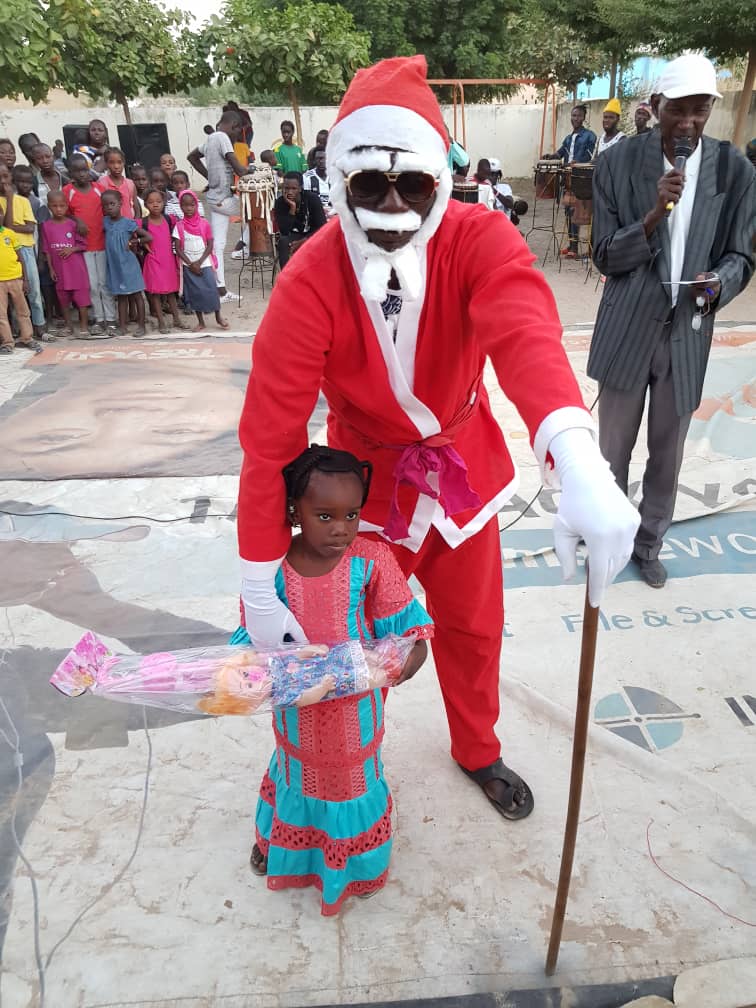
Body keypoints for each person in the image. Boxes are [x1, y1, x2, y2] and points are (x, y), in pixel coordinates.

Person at [236, 56, 639, 824]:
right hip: (356, 493)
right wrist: (262, 577)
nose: (392, 204)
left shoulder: (479, 237)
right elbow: (270, 438)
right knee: (336, 653)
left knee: (474, 626)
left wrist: (575, 453)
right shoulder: (311, 276)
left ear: (439, 178)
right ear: (339, 182)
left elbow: (525, 333)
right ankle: (326, 777)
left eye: (412, 185)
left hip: (460, 472)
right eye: (369, 186)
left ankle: (477, 748)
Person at [239, 444, 432, 913]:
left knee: (350, 780)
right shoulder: (271, 568)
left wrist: (404, 661)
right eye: (324, 516)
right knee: (295, 768)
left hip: (355, 710)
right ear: (294, 510)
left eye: (351, 514)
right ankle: (283, 842)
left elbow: (409, 630)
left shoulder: (372, 560)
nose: (342, 528)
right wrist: (241, 672)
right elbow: (249, 631)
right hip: (294, 708)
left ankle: (355, 866)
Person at [590, 53, 755, 590]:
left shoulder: (735, 171)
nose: (687, 125)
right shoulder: (617, 163)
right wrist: (653, 215)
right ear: (656, 106)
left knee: (668, 452)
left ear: (712, 108)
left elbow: (742, 256)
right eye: (676, 111)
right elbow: (605, 257)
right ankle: (607, 543)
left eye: (698, 112)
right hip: (628, 326)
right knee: (611, 451)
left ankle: (648, 544)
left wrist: (720, 284)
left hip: (687, 331)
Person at [187, 109, 251, 302]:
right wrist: (252, 170)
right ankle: (244, 247)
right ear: (234, 126)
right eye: (238, 132)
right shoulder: (222, 136)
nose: (237, 136)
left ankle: (221, 289)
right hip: (223, 200)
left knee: (218, 246)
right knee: (258, 213)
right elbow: (239, 168)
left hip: (215, 200)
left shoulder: (210, 139)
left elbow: (191, 157)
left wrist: (210, 178)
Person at [64, 154, 118, 338]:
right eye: (77, 171)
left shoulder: (98, 189)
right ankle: (99, 318)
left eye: (85, 169)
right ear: (70, 173)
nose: (82, 174)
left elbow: (110, 209)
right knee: (92, 285)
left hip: (101, 243)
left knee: (104, 283)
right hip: (83, 247)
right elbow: (64, 213)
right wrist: (76, 219)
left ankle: (111, 319)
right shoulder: (68, 191)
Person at [0, 162, 49, 342]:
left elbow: (29, 228)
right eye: (0, 178)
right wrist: (9, 200)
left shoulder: (23, 201)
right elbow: (7, 227)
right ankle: (15, 330)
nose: (3, 181)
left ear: (10, 177)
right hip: (5, 253)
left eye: (5, 177)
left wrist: (13, 224)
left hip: (26, 250)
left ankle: (39, 325)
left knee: (34, 291)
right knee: (10, 295)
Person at [173, 189, 228, 332]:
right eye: (185, 205)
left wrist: (200, 261)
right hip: (188, 266)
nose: (189, 208)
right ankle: (201, 321)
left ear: (196, 205)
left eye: (191, 205)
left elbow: (210, 245)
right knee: (195, 293)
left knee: (211, 290)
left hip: (205, 263)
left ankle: (218, 317)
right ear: (181, 206)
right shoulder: (179, 226)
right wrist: (191, 264)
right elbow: (178, 248)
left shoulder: (204, 223)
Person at [547, 104, 597, 258]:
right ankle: (572, 245)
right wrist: (551, 156)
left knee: (579, 212)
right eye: (573, 115)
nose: (575, 118)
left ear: (583, 118)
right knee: (568, 211)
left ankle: (579, 249)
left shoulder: (590, 136)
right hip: (568, 178)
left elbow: (592, 157)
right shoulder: (569, 138)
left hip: (581, 178)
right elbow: (561, 152)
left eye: (578, 116)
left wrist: (578, 163)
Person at [13, 164, 57, 333]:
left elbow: (39, 231)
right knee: (16, 291)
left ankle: (40, 324)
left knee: (35, 290)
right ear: (14, 182)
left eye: (28, 182)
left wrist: (41, 258)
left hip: (32, 250)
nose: (25, 185)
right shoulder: (9, 201)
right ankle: (19, 328)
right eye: (21, 182)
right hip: (11, 252)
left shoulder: (37, 203)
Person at [41, 190, 91, 337]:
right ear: (49, 206)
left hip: (76, 269)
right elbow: (47, 250)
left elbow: (83, 245)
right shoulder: (46, 226)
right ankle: (69, 327)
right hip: (59, 270)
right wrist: (51, 269)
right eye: (55, 206)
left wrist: (72, 249)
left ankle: (83, 328)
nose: (58, 209)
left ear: (66, 205)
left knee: (81, 300)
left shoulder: (73, 224)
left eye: (62, 206)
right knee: (63, 300)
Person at [101, 189, 150, 337]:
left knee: (136, 296)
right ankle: (122, 326)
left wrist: (135, 241)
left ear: (120, 204)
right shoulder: (105, 222)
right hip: (115, 267)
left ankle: (142, 326)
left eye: (112, 204)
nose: (109, 207)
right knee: (121, 297)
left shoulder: (128, 223)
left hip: (129, 265)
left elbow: (148, 236)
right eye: (106, 205)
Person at [140, 188, 185, 333]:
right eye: (151, 202)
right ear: (146, 204)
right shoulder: (143, 223)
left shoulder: (169, 219)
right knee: (155, 294)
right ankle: (161, 322)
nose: (155, 205)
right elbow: (133, 235)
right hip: (153, 262)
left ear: (164, 202)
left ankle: (176, 319)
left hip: (168, 262)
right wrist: (141, 243)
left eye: (158, 202)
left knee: (171, 292)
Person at [0, 205, 42, 354]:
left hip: (16, 279)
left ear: (2, 215)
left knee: (22, 311)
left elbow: (21, 258)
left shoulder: (9, 234)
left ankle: (27, 338)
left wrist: (25, 279)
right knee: (1, 314)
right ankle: (7, 342)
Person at [273, 171, 326, 268]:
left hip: (312, 234)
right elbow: (284, 230)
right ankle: (286, 277)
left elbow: (322, 226)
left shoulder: (312, 199)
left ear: (300, 188)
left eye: (294, 188)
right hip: (293, 236)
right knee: (283, 242)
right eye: (286, 188)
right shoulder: (280, 203)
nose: (289, 192)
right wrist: (292, 208)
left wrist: (304, 241)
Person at [100, 147, 140, 220]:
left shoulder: (130, 184)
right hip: (111, 228)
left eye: (119, 162)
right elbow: (100, 209)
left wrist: (135, 223)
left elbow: (136, 207)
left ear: (123, 163)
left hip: (129, 227)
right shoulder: (102, 184)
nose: (116, 166)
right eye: (112, 163)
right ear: (106, 164)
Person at [487, 158, 528, 225]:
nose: (489, 177)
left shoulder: (505, 187)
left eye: (493, 174)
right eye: (488, 174)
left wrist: (494, 191)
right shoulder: (481, 187)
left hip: (503, 225)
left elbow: (509, 204)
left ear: (498, 175)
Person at [303, 148, 332, 215]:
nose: (322, 161)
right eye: (319, 158)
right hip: (316, 214)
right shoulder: (307, 177)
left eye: (324, 158)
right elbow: (307, 200)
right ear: (314, 161)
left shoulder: (335, 175)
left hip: (334, 214)